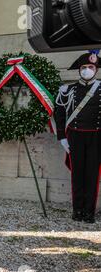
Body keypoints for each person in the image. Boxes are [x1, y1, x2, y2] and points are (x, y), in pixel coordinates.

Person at [55, 51, 101, 224]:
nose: (87, 70)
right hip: (75, 136)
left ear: (96, 70)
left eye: (91, 67)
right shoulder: (68, 90)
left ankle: (89, 212)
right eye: (84, 67)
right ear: (79, 70)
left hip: (97, 137)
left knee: (92, 175)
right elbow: (59, 114)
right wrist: (62, 137)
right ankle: (77, 210)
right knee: (77, 174)